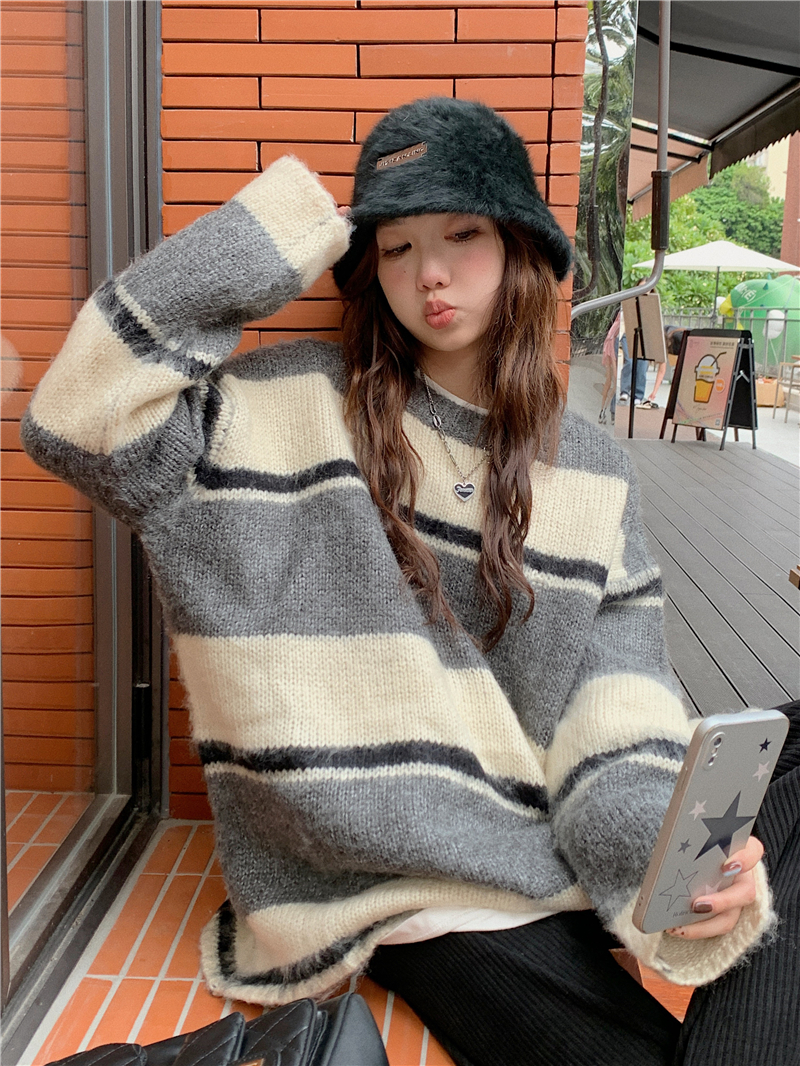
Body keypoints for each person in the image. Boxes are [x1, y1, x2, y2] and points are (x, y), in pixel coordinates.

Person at [21, 98, 777, 1066]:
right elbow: (76, 416)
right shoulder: (277, 409)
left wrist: (662, 867)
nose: (429, 274)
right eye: (394, 247)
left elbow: (615, 700)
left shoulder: (590, 471)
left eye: (461, 234)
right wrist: (290, 230)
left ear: (517, 246)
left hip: (538, 845)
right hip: (386, 873)